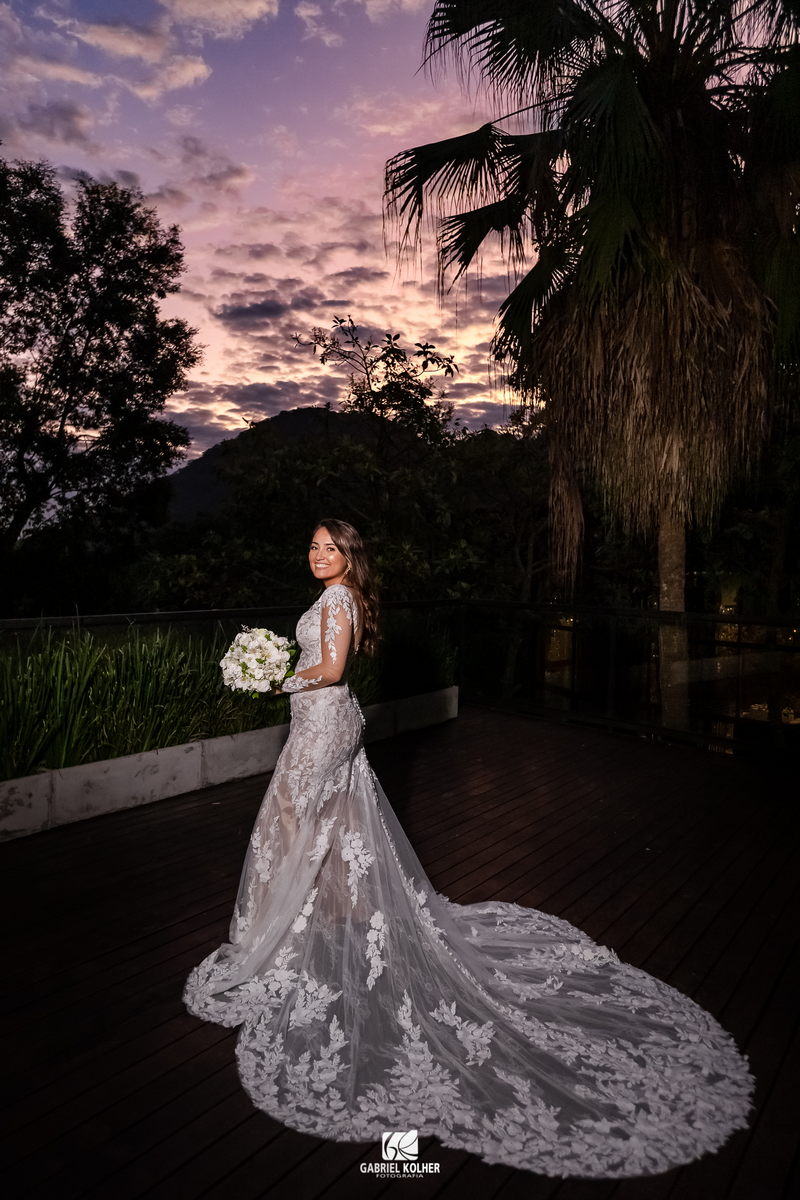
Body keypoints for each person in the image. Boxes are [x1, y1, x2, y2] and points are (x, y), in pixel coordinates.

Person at [183, 518, 755, 1178]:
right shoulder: (337, 596)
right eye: (312, 545)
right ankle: (321, 924)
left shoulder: (339, 598)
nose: (317, 554)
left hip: (322, 726)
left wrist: (274, 677)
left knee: (288, 824)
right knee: (323, 829)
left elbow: (332, 668)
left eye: (329, 547)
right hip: (326, 722)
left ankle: (291, 936)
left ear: (349, 556)